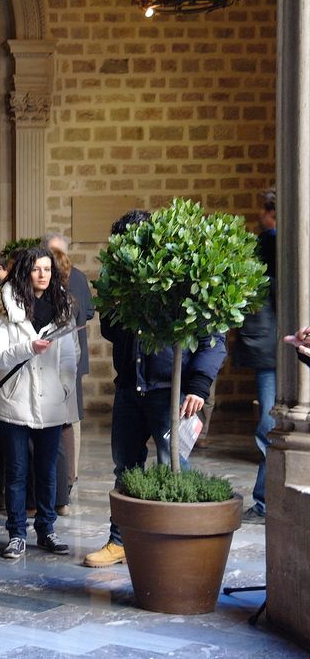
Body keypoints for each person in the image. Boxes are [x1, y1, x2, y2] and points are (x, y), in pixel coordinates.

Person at [84, 210, 227, 568]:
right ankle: (120, 542)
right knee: (125, 469)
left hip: (170, 392)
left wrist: (198, 385)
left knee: (172, 463)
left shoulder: (179, 278)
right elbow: (112, 331)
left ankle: (176, 542)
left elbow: (213, 340)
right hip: (130, 390)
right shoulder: (122, 281)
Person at [0, 246, 79, 559]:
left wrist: (66, 387)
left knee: (48, 470)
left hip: (52, 402)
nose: (43, 275)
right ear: (25, 271)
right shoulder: (6, 305)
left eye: (48, 270)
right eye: (37, 269)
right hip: (16, 400)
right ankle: (16, 533)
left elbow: (70, 354)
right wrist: (28, 347)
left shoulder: (62, 305)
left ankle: (47, 529)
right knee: (16, 472)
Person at [234, 191, 277, 524]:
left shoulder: (266, 244)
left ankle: (264, 502)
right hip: (273, 349)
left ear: (269, 213)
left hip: (271, 351)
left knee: (269, 425)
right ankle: (264, 501)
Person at [44, 232, 94, 516]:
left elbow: (86, 313)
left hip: (66, 357)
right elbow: (88, 314)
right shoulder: (80, 278)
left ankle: (65, 480)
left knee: (69, 419)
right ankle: (68, 480)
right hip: (73, 356)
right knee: (70, 419)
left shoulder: (75, 280)